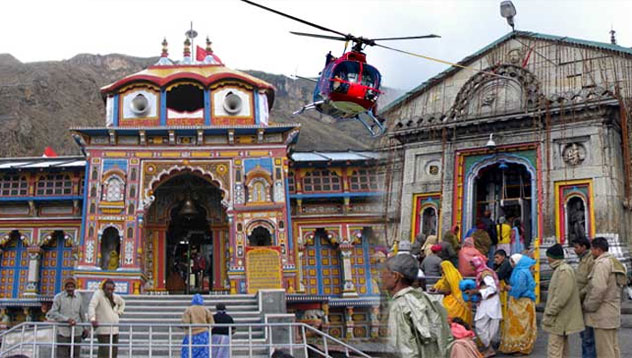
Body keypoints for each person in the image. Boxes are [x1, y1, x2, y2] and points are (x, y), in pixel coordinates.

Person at [382, 254, 453, 358]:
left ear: (395, 276)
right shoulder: (430, 299)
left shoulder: (399, 306)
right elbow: (446, 340)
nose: (382, 277)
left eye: (384, 273)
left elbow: (404, 351)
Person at [583, 237, 627, 358]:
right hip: (612, 311)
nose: (591, 252)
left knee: (604, 351)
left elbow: (599, 289)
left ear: (598, 249)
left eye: (592, 249)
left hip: (602, 314)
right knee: (613, 347)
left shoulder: (602, 264)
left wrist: (589, 306)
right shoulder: (613, 261)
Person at [542, 243, 585, 358]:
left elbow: (561, 296)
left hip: (560, 317)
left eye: (548, 256)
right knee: (562, 349)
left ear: (553, 257)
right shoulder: (561, 269)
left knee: (554, 349)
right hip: (561, 317)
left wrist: (551, 311)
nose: (547, 259)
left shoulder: (563, 271)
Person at [498, 253, 537, 355]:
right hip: (521, 301)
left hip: (521, 302)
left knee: (519, 325)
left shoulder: (521, 272)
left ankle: (519, 347)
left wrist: (509, 288)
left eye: (513, 261)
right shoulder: (521, 270)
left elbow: (520, 289)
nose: (511, 264)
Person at [466, 256, 501, 358]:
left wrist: (476, 291)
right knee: (484, 326)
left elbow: (492, 288)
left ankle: (489, 348)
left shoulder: (485, 274)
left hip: (490, 302)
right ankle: (488, 347)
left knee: (481, 325)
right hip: (487, 301)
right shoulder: (482, 273)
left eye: (472, 265)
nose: (471, 268)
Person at [46, 277, 87, 358]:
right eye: (68, 287)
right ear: (65, 287)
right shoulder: (59, 297)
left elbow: (82, 313)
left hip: (77, 331)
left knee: (76, 354)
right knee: (62, 354)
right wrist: (66, 319)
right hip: (63, 331)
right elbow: (53, 313)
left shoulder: (79, 297)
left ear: (75, 287)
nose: (70, 289)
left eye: (72, 287)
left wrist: (85, 327)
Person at [88, 279, 125, 358]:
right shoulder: (98, 294)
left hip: (114, 329)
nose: (109, 291)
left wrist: (119, 312)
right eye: (108, 289)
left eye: (112, 289)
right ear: (103, 288)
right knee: (104, 352)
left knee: (114, 352)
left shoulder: (114, 296)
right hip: (103, 330)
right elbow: (92, 306)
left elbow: (122, 302)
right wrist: (92, 319)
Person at [574, 237, 596, 358]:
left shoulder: (590, 260)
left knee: (588, 338)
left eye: (576, 247)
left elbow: (591, 283)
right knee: (584, 336)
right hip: (581, 303)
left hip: (587, 301)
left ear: (584, 247)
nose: (574, 250)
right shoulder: (582, 260)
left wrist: (580, 293)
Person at [431, 261, 472, 325]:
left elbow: (448, 290)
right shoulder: (448, 275)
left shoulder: (452, 276)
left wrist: (439, 290)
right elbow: (441, 283)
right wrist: (435, 287)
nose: (441, 271)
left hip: (457, 300)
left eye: (442, 269)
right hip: (456, 298)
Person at [181, 294, 214, 358]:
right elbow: (211, 322)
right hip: (203, 334)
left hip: (191, 334)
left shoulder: (189, 310)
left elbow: (185, 322)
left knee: (189, 352)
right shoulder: (205, 309)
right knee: (203, 353)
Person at [492, 249, 512, 335]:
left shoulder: (506, 264)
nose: (496, 260)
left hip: (508, 288)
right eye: (495, 258)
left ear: (503, 257)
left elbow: (498, 275)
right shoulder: (501, 264)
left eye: (497, 257)